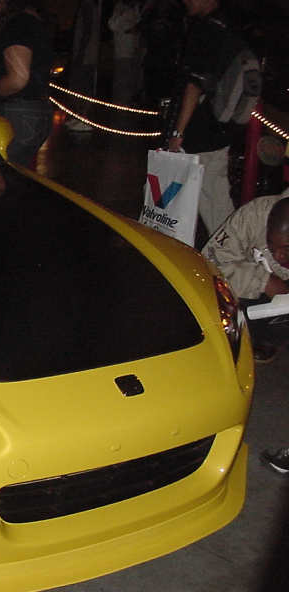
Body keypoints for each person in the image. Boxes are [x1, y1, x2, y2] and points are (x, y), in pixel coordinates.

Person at [167, 0, 243, 241]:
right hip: (221, 123)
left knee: (213, 199)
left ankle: (230, 253)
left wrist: (178, 132)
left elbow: (194, 85)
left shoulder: (206, 30)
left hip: (202, 128)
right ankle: (227, 249)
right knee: (212, 195)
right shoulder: (231, 24)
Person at [201, 188, 289, 362]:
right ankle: (261, 339)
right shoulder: (254, 215)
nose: (278, 256)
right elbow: (210, 263)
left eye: (287, 249)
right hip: (257, 287)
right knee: (221, 301)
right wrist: (263, 281)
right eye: (271, 245)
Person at [0, 0, 54, 167]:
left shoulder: (18, 24)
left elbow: (17, 80)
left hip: (16, 113)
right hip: (33, 110)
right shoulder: (33, 22)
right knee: (12, 172)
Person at [64, 0, 100, 131]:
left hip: (85, 55)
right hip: (86, 54)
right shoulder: (89, 6)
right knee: (81, 86)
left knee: (81, 86)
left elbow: (87, 31)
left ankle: (82, 118)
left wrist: (80, 53)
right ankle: (78, 117)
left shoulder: (87, 5)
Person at [108, 0, 144, 106]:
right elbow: (112, 25)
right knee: (121, 83)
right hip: (122, 52)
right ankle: (119, 106)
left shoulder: (135, 8)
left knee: (131, 84)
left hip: (135, 52)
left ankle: (127, 106)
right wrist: (125, 14)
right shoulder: (120, 7)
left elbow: (138, 25)